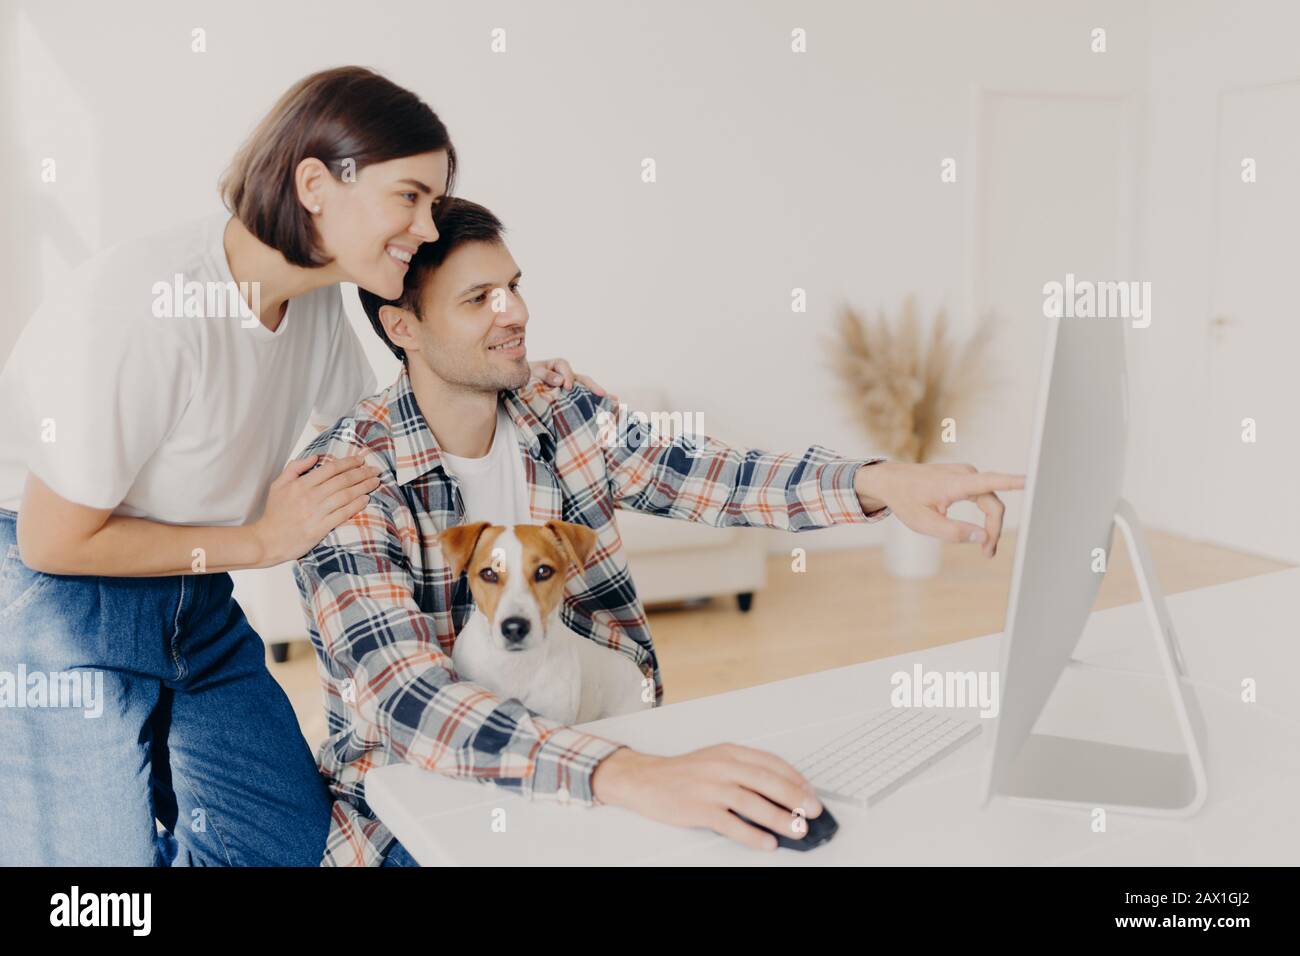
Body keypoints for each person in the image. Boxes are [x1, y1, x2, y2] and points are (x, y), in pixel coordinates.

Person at [292, 197, 1024, 866]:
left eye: (513, 286)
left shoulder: (560, 406)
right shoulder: (349, 480)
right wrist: (626, 777)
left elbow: (708, 473)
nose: (513, 312)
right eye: (479, 299)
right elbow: (406, 699)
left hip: (596, 741)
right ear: (403, 327)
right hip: (417, 803)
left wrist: (880, 483)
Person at [0, 67, 600, 866]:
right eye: (410, 197)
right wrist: (259, 541)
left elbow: (380, 439)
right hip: (58, 608)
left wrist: (516, 383)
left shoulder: (311, 304)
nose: (427, 228)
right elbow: (53, 542)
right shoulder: (145, 308)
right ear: (316, 183)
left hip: (192, 602)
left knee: (281, 844)